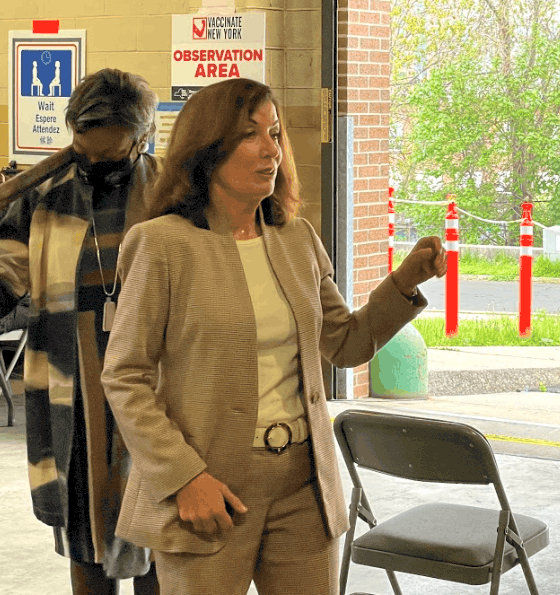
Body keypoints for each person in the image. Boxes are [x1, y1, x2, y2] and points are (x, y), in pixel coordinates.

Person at [100, 77, 446, 595]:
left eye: (276, 133)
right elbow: (125, 376)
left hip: (303, 489)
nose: (272, 150)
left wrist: (402, 284)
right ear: (208, 149)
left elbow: (346, 343)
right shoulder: (160, 246)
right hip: (211, 490)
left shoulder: (296, 238)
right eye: (250, 135)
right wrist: (183, 478)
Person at [0, 69, 161, 593]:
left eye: (109, 159)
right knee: (84, 523)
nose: (92, 168)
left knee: (162, 530)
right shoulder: (42, 196)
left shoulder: (172, 194)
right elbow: (8, 276)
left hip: (156, 386)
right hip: (72, 381)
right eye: (82, 152)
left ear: (142, 140)